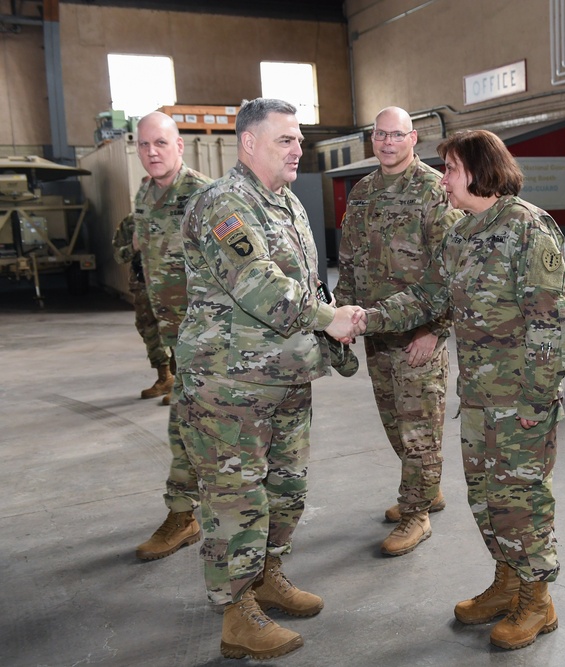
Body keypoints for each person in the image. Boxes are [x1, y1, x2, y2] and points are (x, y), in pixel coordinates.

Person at [351, 130, 565, 651]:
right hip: (478, 398)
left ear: (477, 170)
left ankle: (537, 601)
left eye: (449, 169)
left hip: (519, 399)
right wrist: (367, 317)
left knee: (521, 501)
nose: (443, 180)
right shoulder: (460, 234)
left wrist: (536, 399)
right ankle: (507, 583)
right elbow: (429, 298)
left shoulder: (528, 229)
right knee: (487, 500)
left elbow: (550, 325)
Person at [175, 98, 360, 660]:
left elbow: (307, 281)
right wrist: (333, 320)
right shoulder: (224, 205)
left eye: (299, 139)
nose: (298, 148)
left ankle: (266, 576)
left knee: (285, 488)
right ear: (249, 143)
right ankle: (237, 614)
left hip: (284, 375)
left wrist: (330, 326)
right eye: (286, 140)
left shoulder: (286, 204)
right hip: (231, 384)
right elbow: (258, 283)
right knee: (237, 497)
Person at [334, 106, 461, 556]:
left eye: (396, 135)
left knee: (418, 428)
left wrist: (435, 330)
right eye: (379, 135)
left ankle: (416, 514)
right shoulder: (364, 191)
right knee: (394, 422)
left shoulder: (433, 190)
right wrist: (343, 317)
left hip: (417, 333)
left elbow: (452, 269)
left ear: (414, 138)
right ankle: (426, 488)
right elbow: (348, 258)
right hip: (376, 331)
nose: (387, 143)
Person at [132, 112, 213, 562]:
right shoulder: (145, 194)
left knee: (186, 425)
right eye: (144, 145)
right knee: (192, 426)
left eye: (160, 143)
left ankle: (183, 515)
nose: (152, 152)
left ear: (179, 145)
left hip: (206, 337)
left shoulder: (204, 195)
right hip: (175, 335)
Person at [111, 213, 173, 399]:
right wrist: (133, 247)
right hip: (143, 284)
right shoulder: (131, 222)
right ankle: (165, 378)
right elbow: (118, 256)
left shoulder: (175, 215)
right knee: (148, 328)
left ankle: (184, 384)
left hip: (173, 284)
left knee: (177, 329)